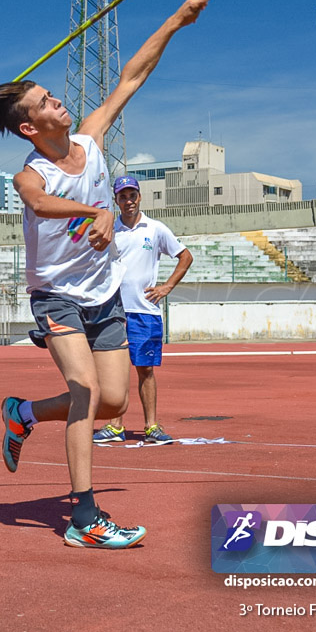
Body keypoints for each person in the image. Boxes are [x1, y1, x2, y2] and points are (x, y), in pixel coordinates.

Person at [0, 0, 215, 549]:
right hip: (56, 297)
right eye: (45, 102)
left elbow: (133, 75)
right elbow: (39, 204)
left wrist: (176, 22)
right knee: (84, 393)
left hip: (102, 294)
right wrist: (97, 209)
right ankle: (84, 519)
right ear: (30, 128)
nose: (58, 102)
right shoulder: (31, 174)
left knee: (115, 402)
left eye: (54, 95)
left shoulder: (90, 138)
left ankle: (24, 413)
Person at [93, 175, 192, 445]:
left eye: (132, 195)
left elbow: (185, 256)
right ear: (116, 200)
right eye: (122, 196)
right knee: (114, 371)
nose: (128, 201)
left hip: (144, 311)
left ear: (139, 197)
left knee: (145, 370)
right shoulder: (111, 229)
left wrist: (166, 287)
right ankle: (115, 427)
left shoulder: (156, 228)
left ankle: (151, 427)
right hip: (113, 311)